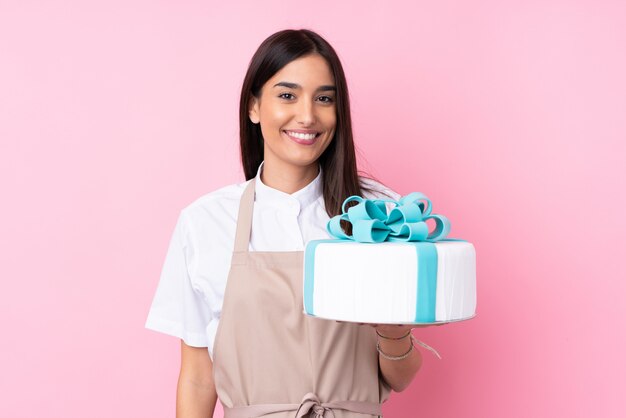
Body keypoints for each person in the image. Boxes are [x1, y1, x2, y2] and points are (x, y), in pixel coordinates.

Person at [145, 28, 441, 418]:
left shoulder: (378, 214)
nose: (307, 115)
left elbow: (401, 376)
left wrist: (391, 330)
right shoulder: (205, 222)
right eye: (287, 95)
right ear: (254, 107)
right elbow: (199, 376)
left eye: (324, 99)